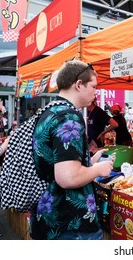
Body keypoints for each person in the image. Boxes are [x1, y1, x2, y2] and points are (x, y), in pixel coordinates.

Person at [29, 60, 114, 240]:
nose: (96, 92)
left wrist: (88, 162)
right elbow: (67, 178)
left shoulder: (49, 112)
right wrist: (98, 169)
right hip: (71, 223)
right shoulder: (69, 117)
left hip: (50, 217)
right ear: (78, 85)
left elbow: (58, 164)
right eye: (93, 86)